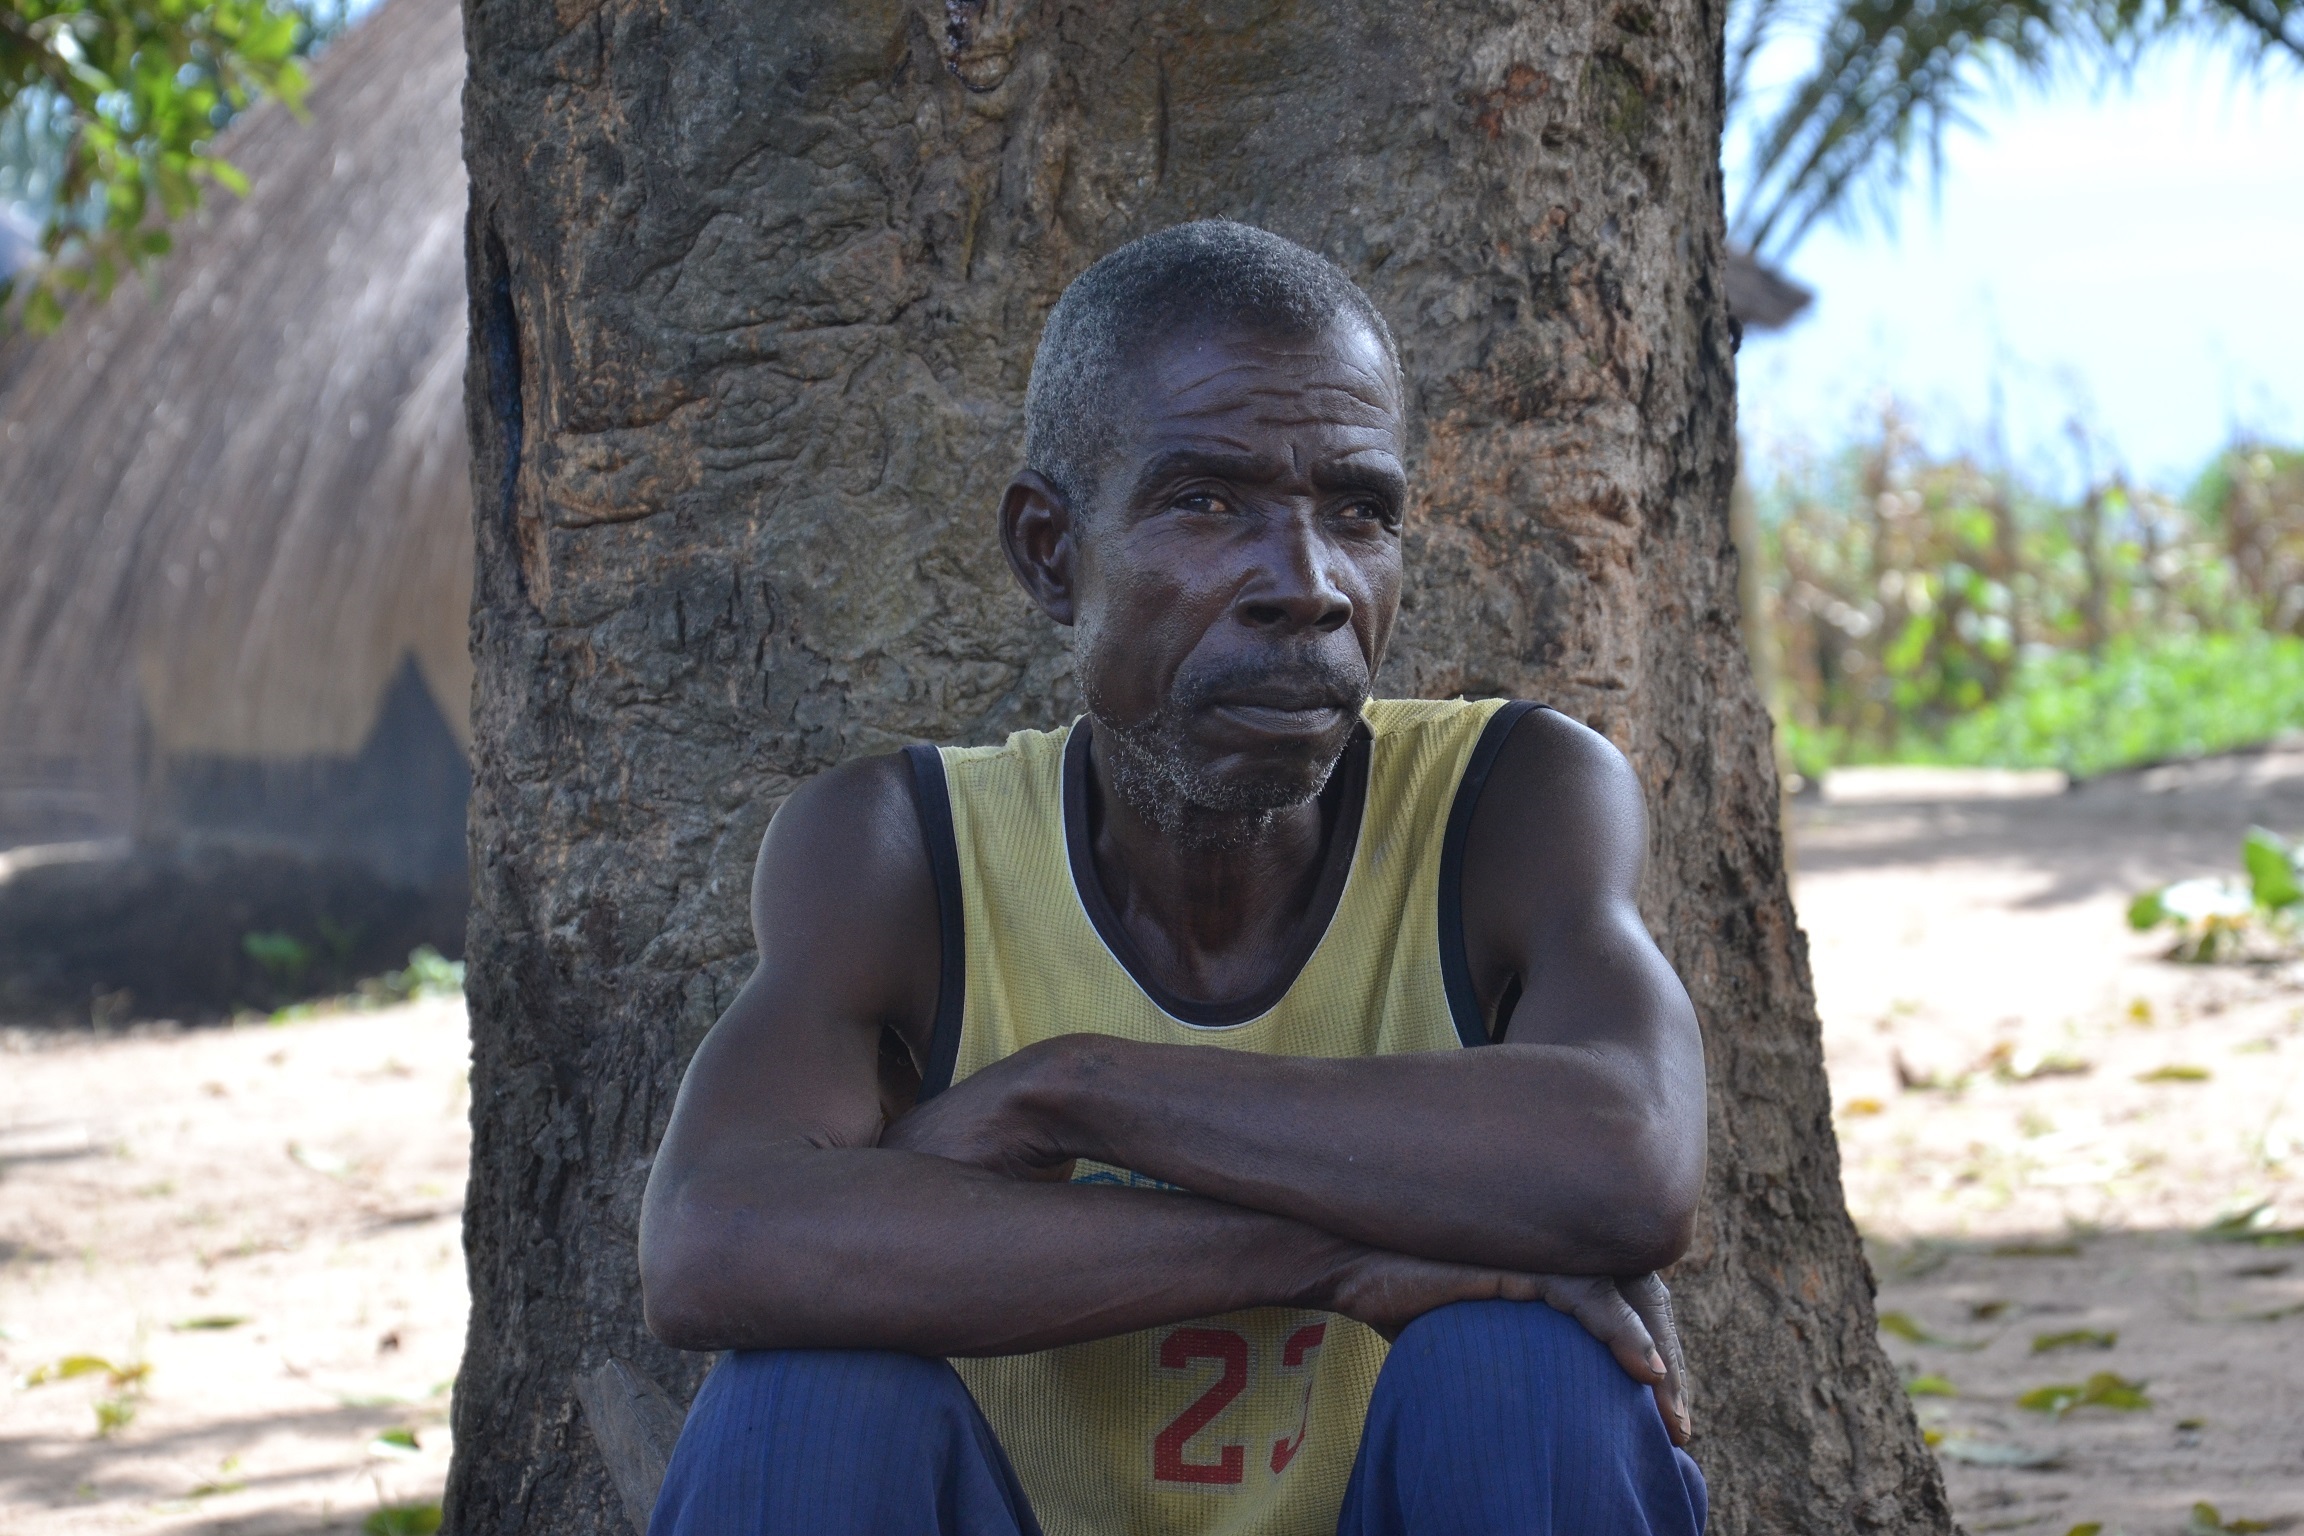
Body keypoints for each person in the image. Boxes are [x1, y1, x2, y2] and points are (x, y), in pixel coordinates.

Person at [638, 220, 1710, 1536]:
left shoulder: (1508, 800)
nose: (1307, 587)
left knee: (1526, 1377)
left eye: (1358, 512)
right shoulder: (904, 850)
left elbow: (1630, 1159)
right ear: (1051, 550)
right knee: (803, 1405)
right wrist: (1337, 1255)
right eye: (1209, 502)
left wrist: (1071, 1091)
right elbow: (717, 1237)